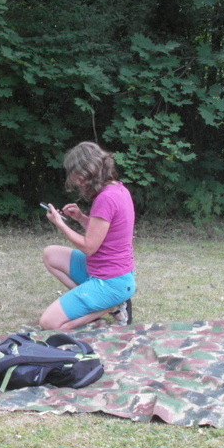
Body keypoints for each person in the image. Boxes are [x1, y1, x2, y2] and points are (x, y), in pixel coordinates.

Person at [39, 141, 136, 332]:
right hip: (112, 274)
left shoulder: (105, 198)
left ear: (87, 172)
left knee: (49, 324)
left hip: (111, 281)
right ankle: (103, 302)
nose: (75, 181)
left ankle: (110, 306)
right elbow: (106, 232)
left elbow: (89, 247)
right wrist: (81, 218)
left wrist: (60, 223)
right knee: (51, 254)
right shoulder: (118, 189)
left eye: (76, 174)